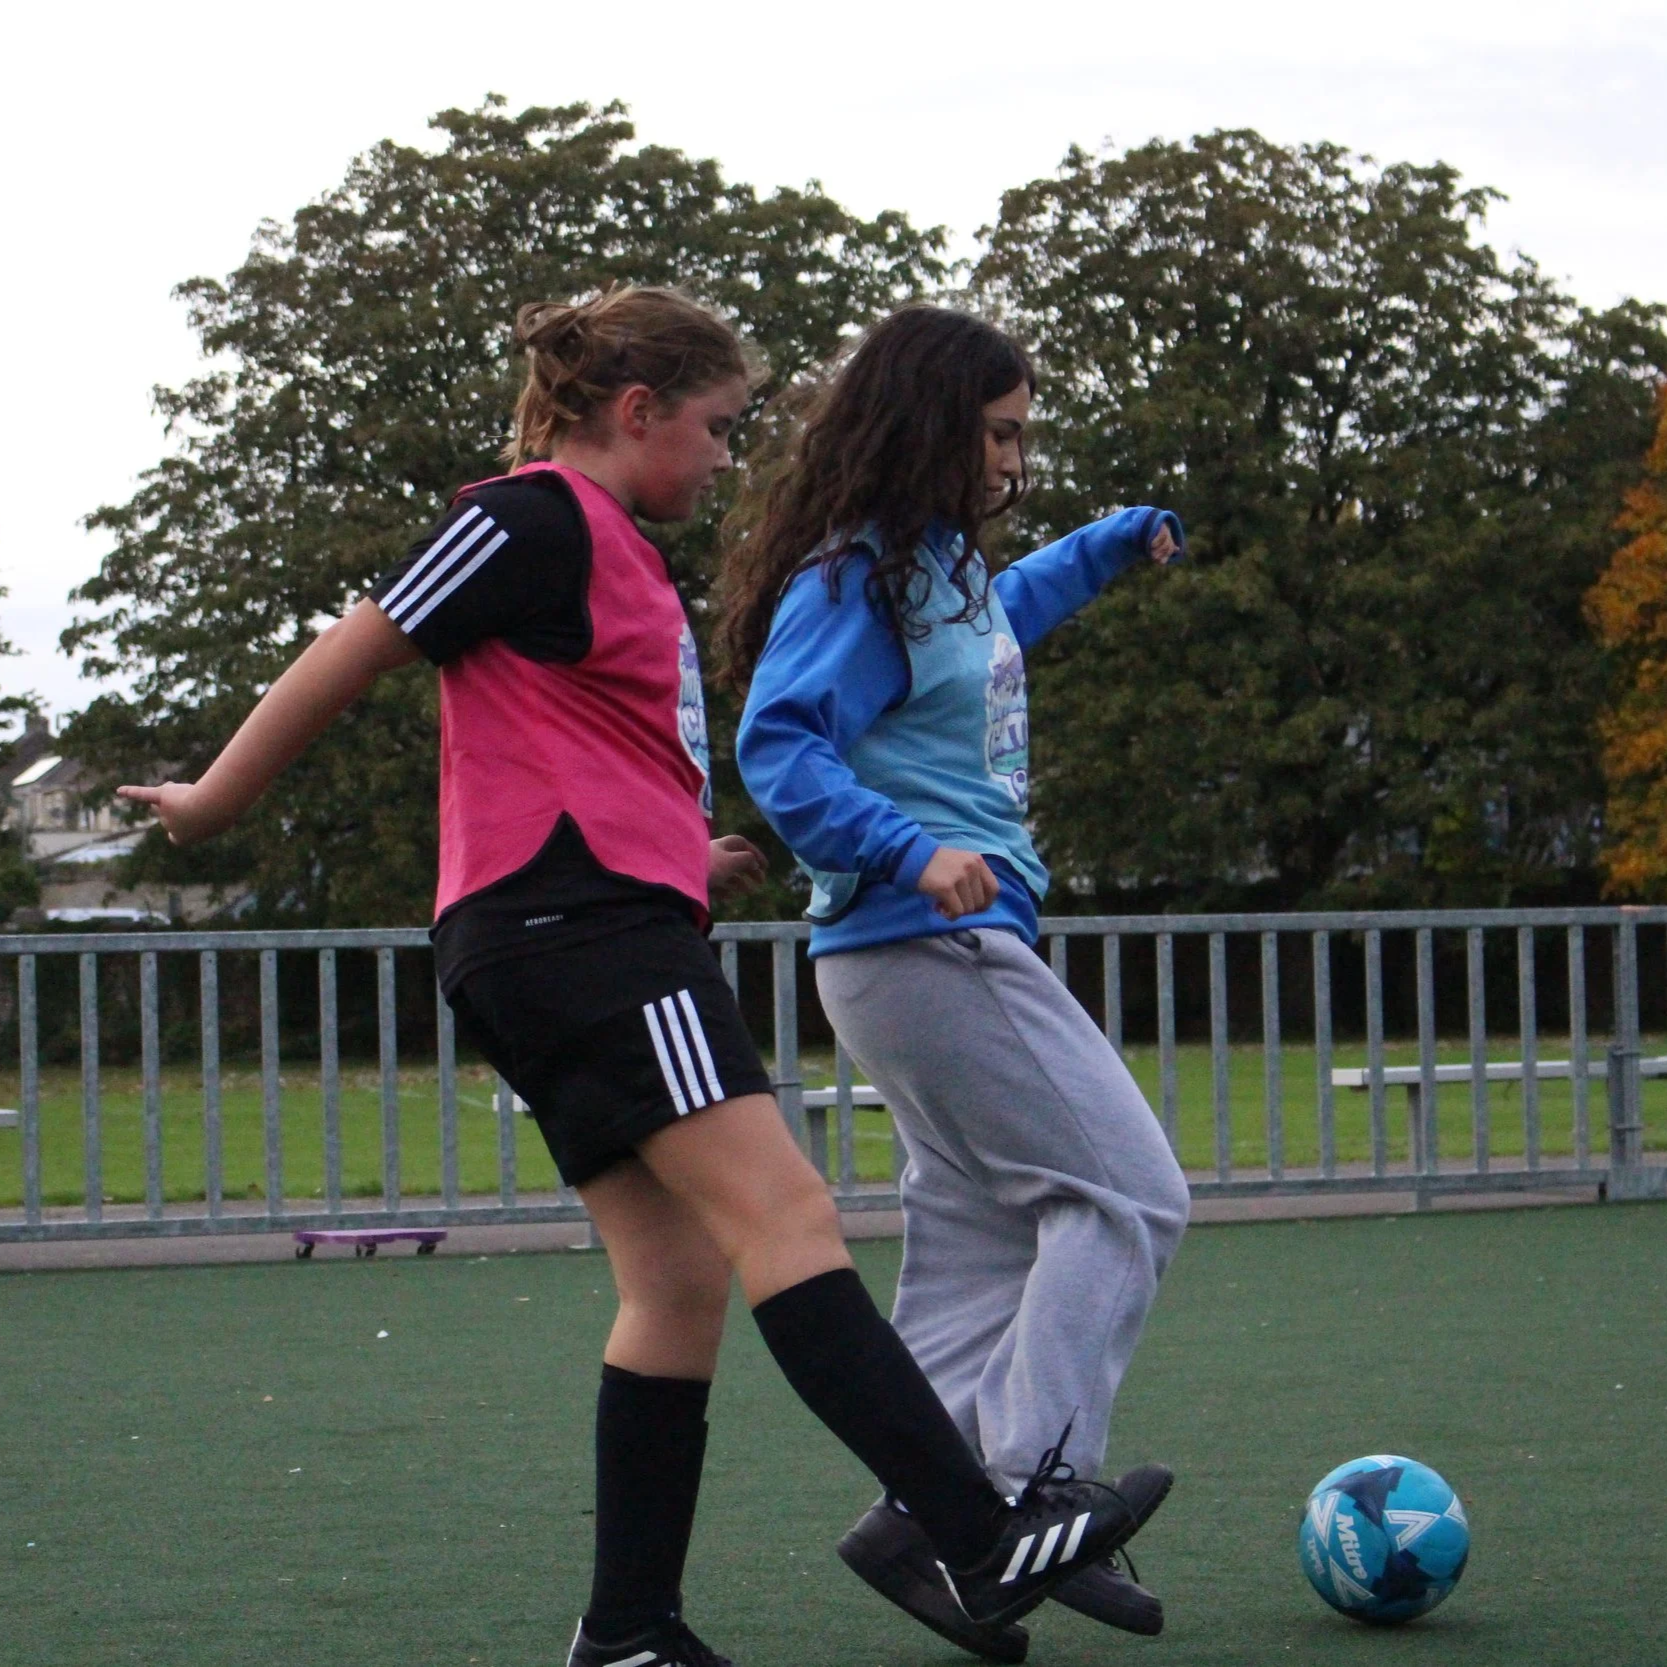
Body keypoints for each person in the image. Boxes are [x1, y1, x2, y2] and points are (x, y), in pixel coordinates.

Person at [119, 287, 1160, 1667]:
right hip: (580, 937)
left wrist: (685, 852)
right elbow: (362, 641)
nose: (731, 459)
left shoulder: (605, 548)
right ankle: (976, 1527)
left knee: (673, 1280)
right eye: (719, 429)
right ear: (635, 413)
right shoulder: (526, 515)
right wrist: (212, 798)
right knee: (786, 1217)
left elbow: (565, 739)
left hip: (573, 925)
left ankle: (628, 1632)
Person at [721, 305, 1192, 1659]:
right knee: (1125, 1193)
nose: (1013, 461)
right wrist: (907, 847)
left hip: (907, 955)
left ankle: (918, 1522)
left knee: (983, 1248)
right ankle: (1025, 1498)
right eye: (998, 434)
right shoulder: (857, 577)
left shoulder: (937, 573)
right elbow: (783, 742)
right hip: (926, 938)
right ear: (931, 424)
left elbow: (1002, 625)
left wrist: (1103, 548)